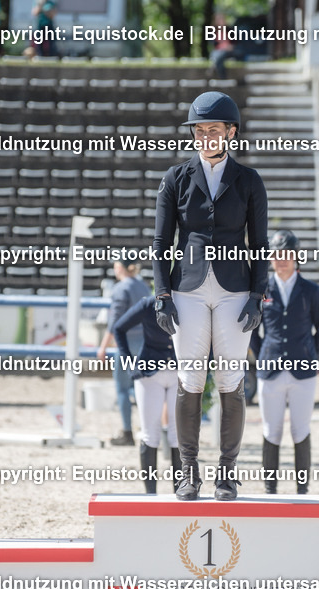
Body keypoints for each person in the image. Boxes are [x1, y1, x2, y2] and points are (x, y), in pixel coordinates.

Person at [152, 91, 268, 501]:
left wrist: (259, 293)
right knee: (190, 378)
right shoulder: (176, 178)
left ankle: (227, 473)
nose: (204, 137)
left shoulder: (250, 180)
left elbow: (260, 242)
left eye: (212, 130)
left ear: (230, 132)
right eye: (198, 131)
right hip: (189, 288)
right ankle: (187, 473)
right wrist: (161, 293)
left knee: (230, 380)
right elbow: (161, 240)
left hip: (236, 289)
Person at [250, 229, 319, 494]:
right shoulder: (261, 290)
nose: (281, 259)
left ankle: (302, 490)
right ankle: (270, 490)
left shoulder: (311, 290)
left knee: (300, 430)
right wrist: (264, 355)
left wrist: (310, 358)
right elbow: (252, 331)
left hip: (302, 373)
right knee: (271, 431)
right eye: (276, 255)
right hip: (270, 370)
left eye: (286, 254)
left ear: (296, 257)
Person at [114, 295, 181, 493]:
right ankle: (150, 493)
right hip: (150, 373)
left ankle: (180, 491)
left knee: (178, 435)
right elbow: (119, 328)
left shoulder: (191, 303)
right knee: (150, 433)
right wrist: (128, 362)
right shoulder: (147, 304)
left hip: (181, 372)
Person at [97, 259, 150, 447]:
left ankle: (127, 432)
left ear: (119, 267)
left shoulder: (120, 289)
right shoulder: (143, 286)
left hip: (126, 344)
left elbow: (115, 322)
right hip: (144, 343)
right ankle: (149, 430)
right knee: (145, 388)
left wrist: (103, 346)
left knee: (121, 388)